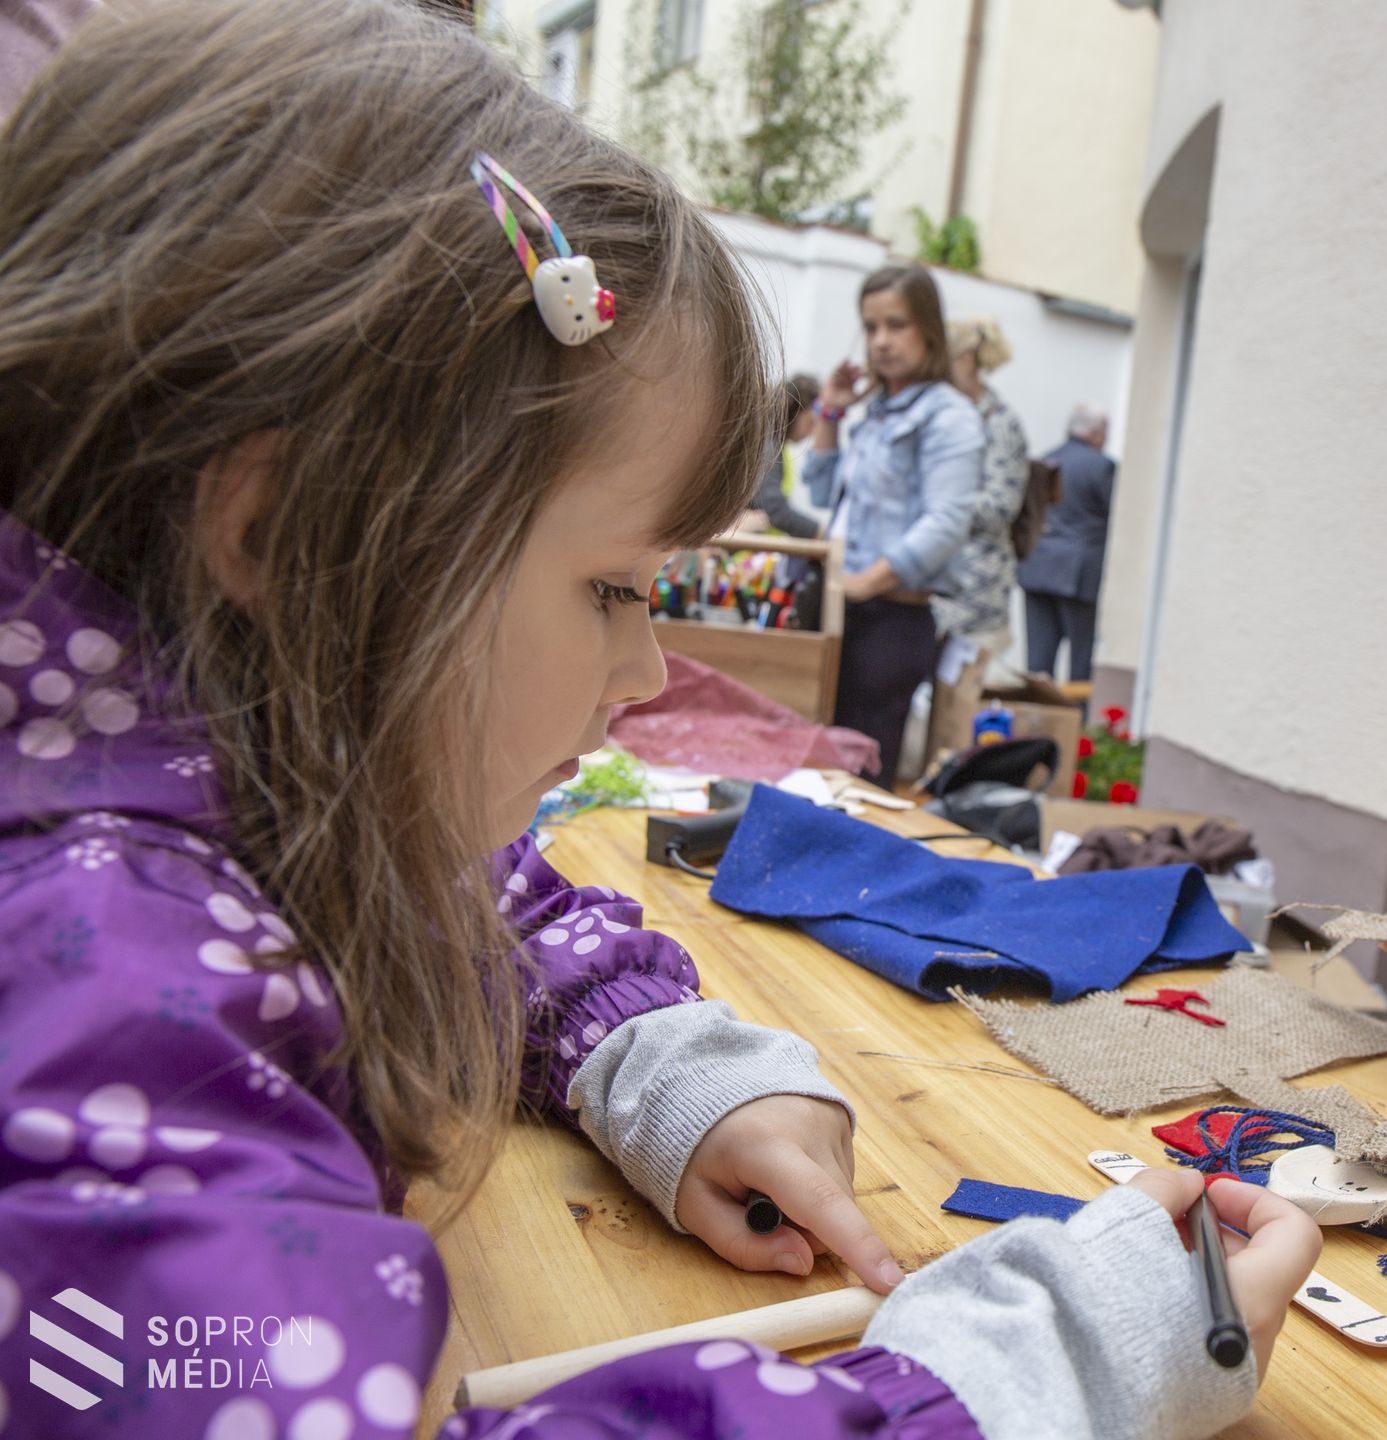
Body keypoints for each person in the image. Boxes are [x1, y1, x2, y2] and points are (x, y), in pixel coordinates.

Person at [0, 4, 1319, 1437]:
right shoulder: (109, 1005)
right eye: (615, 588)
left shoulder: (161, 764)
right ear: (275, 528)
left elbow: (449, 887)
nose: (645, 675)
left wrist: (647, 1051)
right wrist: (1002, 1381)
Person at [803, 268, 982, 790]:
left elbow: (947, 523)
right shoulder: (875, 411)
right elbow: (821, 494)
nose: (880, 341)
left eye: (896, 325)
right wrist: (831, 413)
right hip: (845, 612)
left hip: (891, 622)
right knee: (822, 776)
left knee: (859, 789)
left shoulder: (949, 415)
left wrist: (865, 582)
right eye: (871, 327)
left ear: (928, 328)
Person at [926, 316, 1028, 766]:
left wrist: (941, 506)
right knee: (930, 706)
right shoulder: (946, 414)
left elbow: (1002, 503)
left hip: (977, 591)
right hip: (937, 583)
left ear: (965, 360)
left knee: (960, 710)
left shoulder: (1001, 423)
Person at [1016, 405, 1115, 682]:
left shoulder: (1045, 460)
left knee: (1038, 664)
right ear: (1095, 434)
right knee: (1080, 663)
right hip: (1078, 575)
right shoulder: (1102, 467)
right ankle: (1077, 722)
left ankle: (1036, 721)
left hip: (1037, 568)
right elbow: (1118, 517)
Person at [741, 372, 823, 541]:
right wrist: (818, 531)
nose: (811, 432)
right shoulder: (767, 443)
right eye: (811, 422)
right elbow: (773, 508)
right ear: (798, 410)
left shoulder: (772, 442)